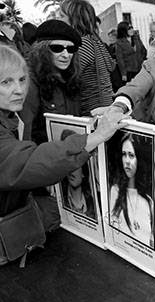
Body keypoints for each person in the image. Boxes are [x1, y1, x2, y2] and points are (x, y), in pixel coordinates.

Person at [0, 44, 128, 258]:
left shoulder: (11, 117)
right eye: (6, 82)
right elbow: (24, 161)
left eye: (22, 80)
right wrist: (94, 137)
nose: (19, 90)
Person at [21, 20, 82, 144]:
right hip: (41, 155)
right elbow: (25, 132)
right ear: (42, 50)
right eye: (57, 48)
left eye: (70, 49)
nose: (66, 55)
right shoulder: (29, 81)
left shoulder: (71, 77)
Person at [59, 0, 114, 116]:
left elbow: (68, 78)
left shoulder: (82, 44)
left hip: (93, 112)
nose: (58, 19)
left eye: (62, 16)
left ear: (74, 19)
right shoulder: (93, 40)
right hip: (101, 108)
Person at [109, 133, 153, 246]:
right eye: (124, 154)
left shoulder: (148, 201)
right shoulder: (115, 191)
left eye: (131, 155)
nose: (127, 161)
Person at [60, 129, 95, 219]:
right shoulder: (59, 200)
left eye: (75, 164)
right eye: (67, 163)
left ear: (84, 171)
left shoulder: (95, 203)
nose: (71, 170)